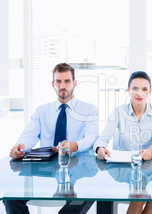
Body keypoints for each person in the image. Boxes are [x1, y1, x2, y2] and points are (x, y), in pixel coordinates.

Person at [5, 63, 99, 214]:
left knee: (88, 195)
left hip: (77, 171)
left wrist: (74, 145)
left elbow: (92, 138)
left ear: (74, 83)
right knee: (10, 197)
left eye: (67, 81)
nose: (63, 86)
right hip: (45, 171)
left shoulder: (89, 110)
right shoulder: (42, 111)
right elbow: (29, 134)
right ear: (53, 84)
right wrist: (20, 146)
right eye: (58, 81)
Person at [94, 71, 152, 214]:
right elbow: (103, 137)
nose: (139, 93)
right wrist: (100, 149)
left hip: (150, 167)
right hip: (124, 169)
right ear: (128, 90)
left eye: (144, 89)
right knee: (140, 194)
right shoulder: (118, 112)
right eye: (135, 89)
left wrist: (150, 151)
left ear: (150, 91)